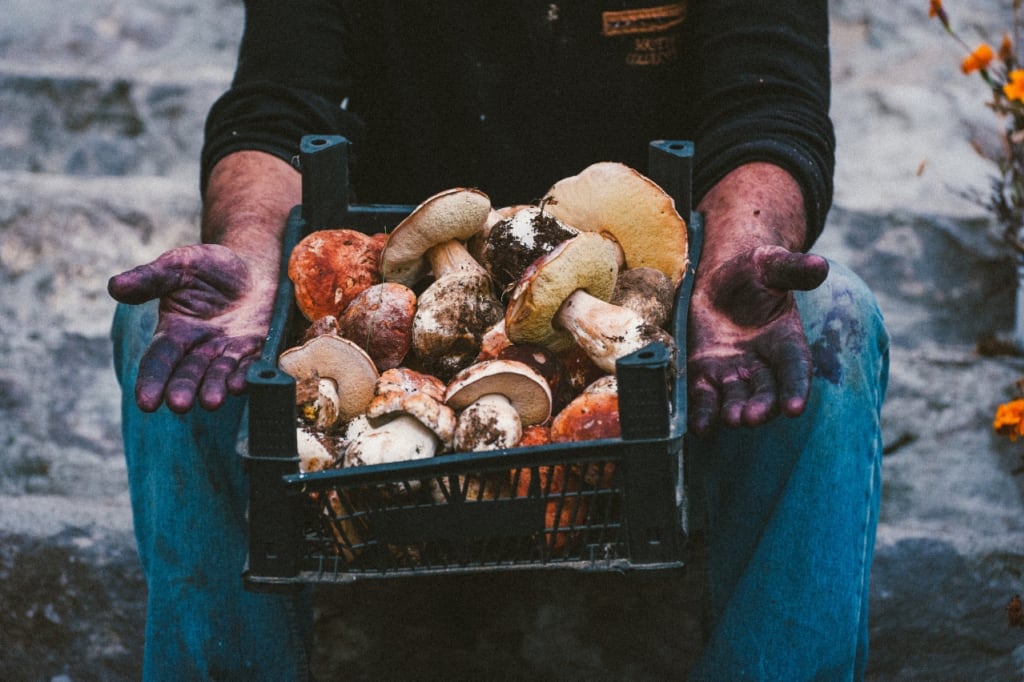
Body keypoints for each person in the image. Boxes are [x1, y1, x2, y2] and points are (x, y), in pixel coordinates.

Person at [108, 2, 889, 679]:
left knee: (832, 327)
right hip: (393, 295)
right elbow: (279, 104)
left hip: (657, 285)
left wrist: (743, 248)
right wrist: (248, 248)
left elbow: (768, 100)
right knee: (169, 329)